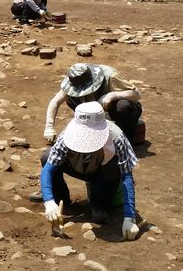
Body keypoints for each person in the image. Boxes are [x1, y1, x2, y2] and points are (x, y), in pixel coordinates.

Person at [40, 101, 140, 240]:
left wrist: (130, 218)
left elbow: (127, 177)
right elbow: (48, 170)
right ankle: (60, 199)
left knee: (113, 168)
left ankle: (97, 201)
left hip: (102, 173)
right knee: (46, 157)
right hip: (76, 167)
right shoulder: (65, 136)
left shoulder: (117, 137)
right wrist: (49, 201)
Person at [44, 63, 142, 146]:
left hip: (119, 111)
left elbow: (136, 94)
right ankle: (90, 129)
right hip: (96, 113)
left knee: (123, 106)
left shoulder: (110, 76)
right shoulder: (75, 80)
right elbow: (55, 102)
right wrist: (49, 127)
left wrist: (113, 95)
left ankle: (124, 141)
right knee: (70, 99)